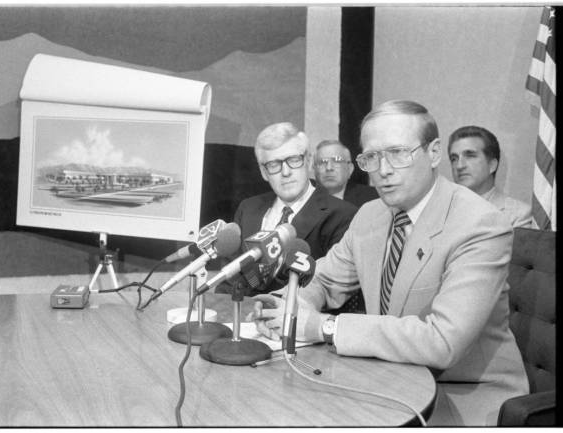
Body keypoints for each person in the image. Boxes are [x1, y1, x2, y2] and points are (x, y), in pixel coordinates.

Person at [249, 101, 528, 426]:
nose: (383, 170)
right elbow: (324, 281)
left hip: (461, 397)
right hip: (387, 379)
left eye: (397, 153)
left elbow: (442, 342)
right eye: (371, 157)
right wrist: (290, 306)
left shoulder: (481, 224)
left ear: (435, 152)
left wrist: (321, 326)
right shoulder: (370, 214)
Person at [221, 122, 358, 296]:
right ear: (264, 172)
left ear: (308, 162)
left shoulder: (342, 215)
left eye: (294, 160)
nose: (285, 172)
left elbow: (332, 290)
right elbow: (230, 280)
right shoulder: (248, 208)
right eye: (273, 164)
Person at [448, 125, 532, 228]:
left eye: (470, 156)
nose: (459, 166)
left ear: (492, 165)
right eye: (454, 159)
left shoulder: (518, 215)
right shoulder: (441, 212)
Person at [313, 139, 378, 208]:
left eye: (337, 161)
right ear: (314, 169)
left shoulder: (373, 198)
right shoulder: (305, 201)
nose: (329, 168)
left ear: (350, 169)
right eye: (322, 162)